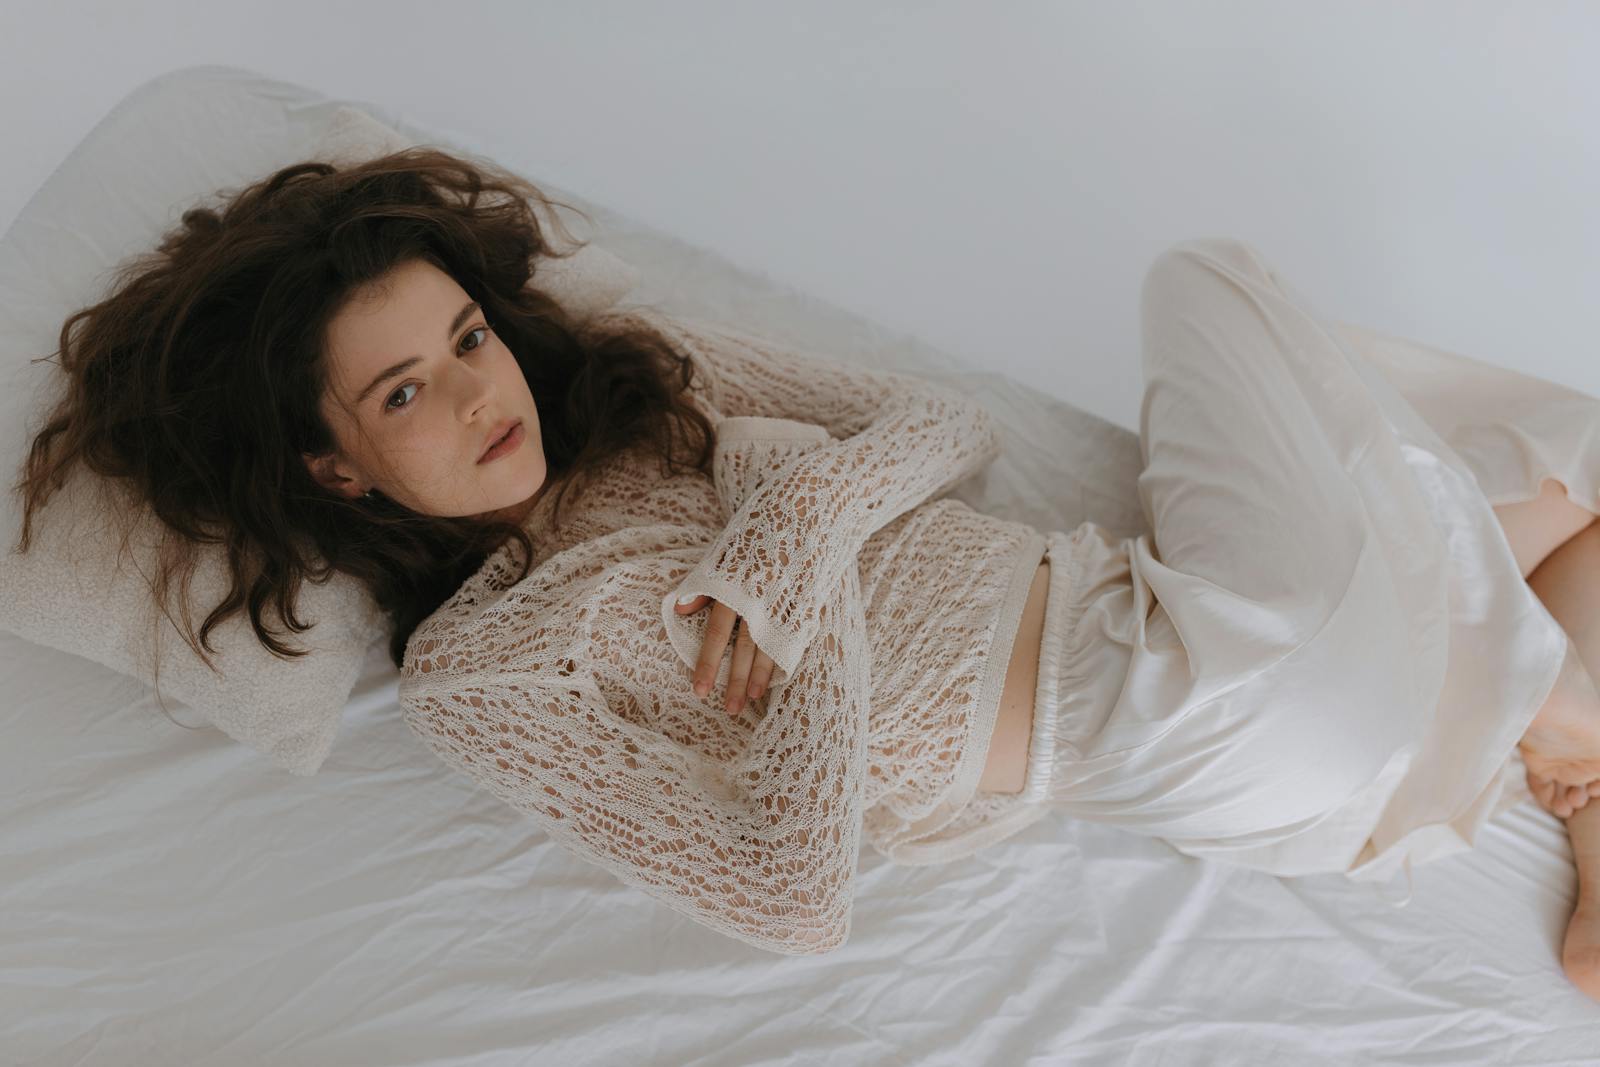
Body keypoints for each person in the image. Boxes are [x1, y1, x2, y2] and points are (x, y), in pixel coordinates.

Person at [12, 150, 1600, 999]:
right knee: (1431, 425)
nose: (484, 394)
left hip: (1199, 647)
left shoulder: (648, 384)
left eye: (468, 338)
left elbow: (937, 425)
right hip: (1220, 723)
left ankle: (1564, 743)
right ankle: (1552, 703)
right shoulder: (483, 674)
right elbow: (788, 896)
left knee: (1240, 305)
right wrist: (805, 596)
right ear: (333, 469)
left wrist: (783, 533)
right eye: (405, 393)